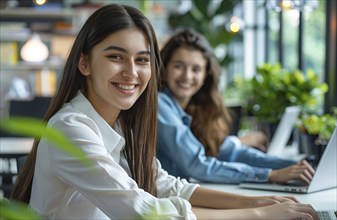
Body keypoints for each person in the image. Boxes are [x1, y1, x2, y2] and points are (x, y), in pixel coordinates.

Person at [10, 4, 318, 220]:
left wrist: (259, 200)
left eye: (142, 60)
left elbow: (167, 185)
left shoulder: (120, 126)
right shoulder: (70, 128)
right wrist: (259, 214)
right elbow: (141, 212)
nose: (131, 72)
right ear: (84, 63)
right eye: (116, 56)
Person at [157, 28, 315, 185]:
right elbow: (197, 165)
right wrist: (270, 175)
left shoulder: (195, 107)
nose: (187, 76)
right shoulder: (159, 104)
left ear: (206, 74)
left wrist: (295, 166)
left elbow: (229, 152)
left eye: (196, 69)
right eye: (178, 66)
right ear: (165, 67)